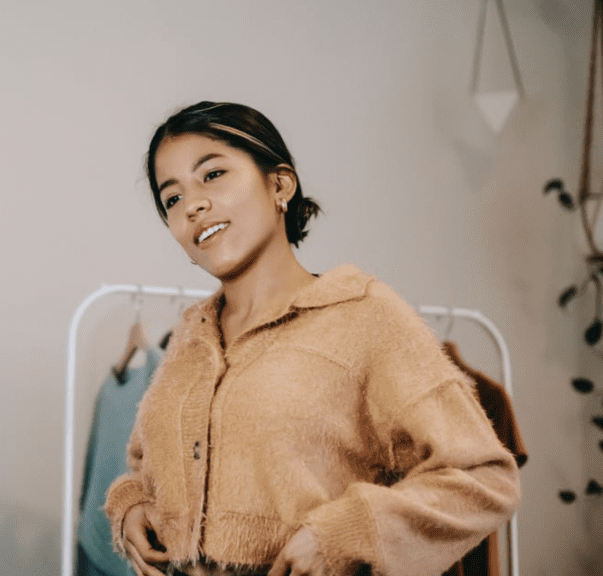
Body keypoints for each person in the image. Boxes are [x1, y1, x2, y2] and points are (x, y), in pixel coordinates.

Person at [103, 102, 520, 576]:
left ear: (280, 184)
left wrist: (341, 538)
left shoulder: (365, 316)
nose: (193, 205)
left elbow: (484, 477)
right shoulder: (189, 336)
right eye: (172, 199)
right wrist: (132, 504)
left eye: (213, 174)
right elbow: (146, 465)